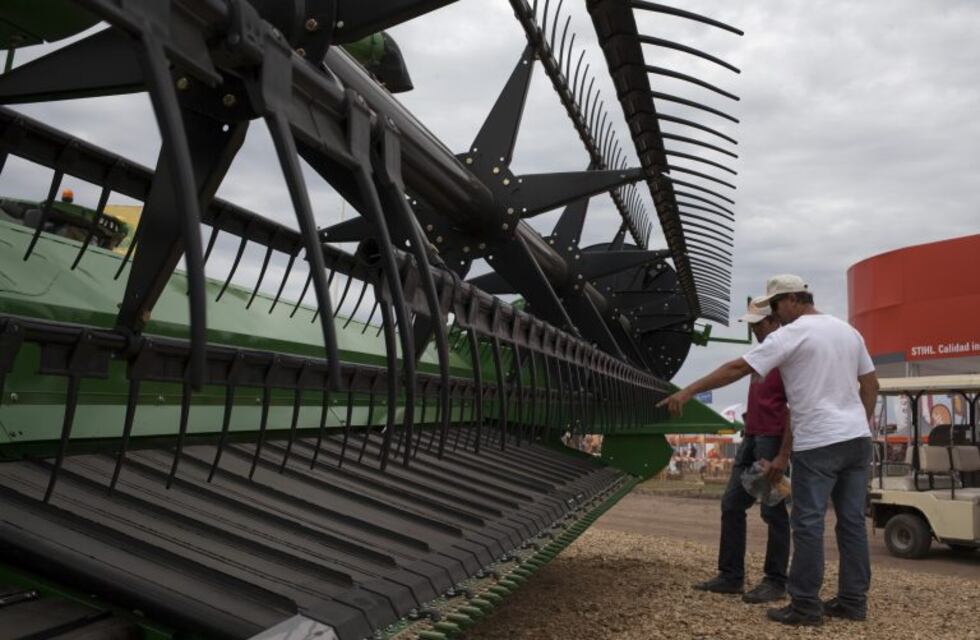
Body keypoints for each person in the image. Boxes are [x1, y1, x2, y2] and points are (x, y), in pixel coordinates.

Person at [659, 275, 879, 627]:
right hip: (855, 440)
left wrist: (687, 392)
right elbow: (870, 385)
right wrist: (858, 424)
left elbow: (737, 367)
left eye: (775, 306)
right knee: (851, 522)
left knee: (807, 524)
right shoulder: (847, 331)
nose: (776, 313)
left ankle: (805, 606)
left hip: (817, 442)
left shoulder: (791, 334)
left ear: (792, 299)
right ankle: (853, 601)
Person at [693, 299, 790, 604]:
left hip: (772, 440)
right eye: (750, 324)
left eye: (758, 324)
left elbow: (795, 408)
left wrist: (783, 455)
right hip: (753, 435)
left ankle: (775, 581)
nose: (754, 329)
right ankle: (730, 576)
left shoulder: (787, 354)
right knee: (732, 504)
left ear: (775, 321)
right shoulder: (763, 353)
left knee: (773, 510)